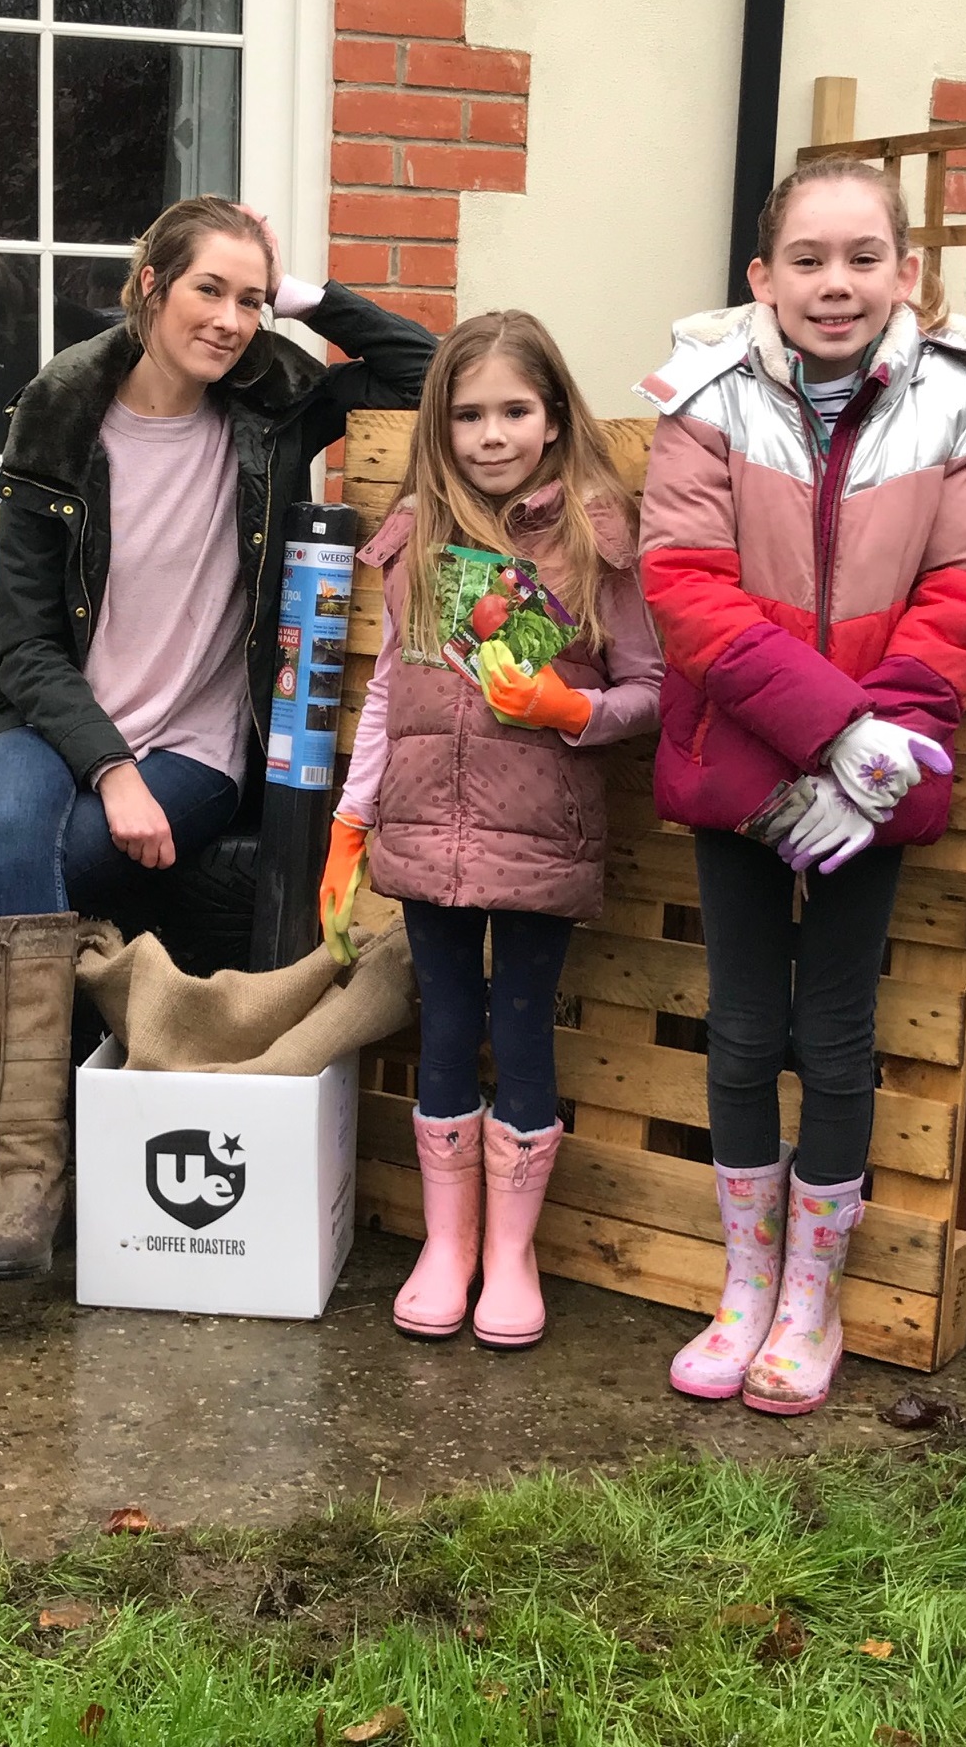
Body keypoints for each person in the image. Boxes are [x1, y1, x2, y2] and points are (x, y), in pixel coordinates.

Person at [0, 197, 436, 1293]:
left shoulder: (274, 413)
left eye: (254, 299)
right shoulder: (58, 419)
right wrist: (108, 768)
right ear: (147, 285)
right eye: (210, 289)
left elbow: (423, 368)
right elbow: (23, 642)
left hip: (197, 747)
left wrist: (310, 297)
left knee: (43, 865)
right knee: (7, 815)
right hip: (52, 723)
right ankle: (7, 1177)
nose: (234, 320)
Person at [636, 156, 966, 1414]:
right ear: (761, 277)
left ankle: (811, 1302)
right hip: (745, 771)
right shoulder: (706, 399)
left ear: (908, 271)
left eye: (864, 257)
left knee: (839, 1033)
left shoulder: (965, 410)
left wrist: (883, 752)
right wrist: (828, 732)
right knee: (747, 1028)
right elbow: (685, 584)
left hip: (875, 783)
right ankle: (744, 1282)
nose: (836, 283)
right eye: (807, 259)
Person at [319, 311, 663, 1350]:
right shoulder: (420, 533)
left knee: (520, 1035)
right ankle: (446, 1243)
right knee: (443, 1031)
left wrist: (577, 711)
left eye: (514, 409)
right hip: (423, 833)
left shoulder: (597, 537)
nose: (492, 433)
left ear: (554, 418)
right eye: (468, 413)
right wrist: (349, 818)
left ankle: (511, 1252)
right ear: (441, 422)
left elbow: (651, 686)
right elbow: (386, 689)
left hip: (539, 837)